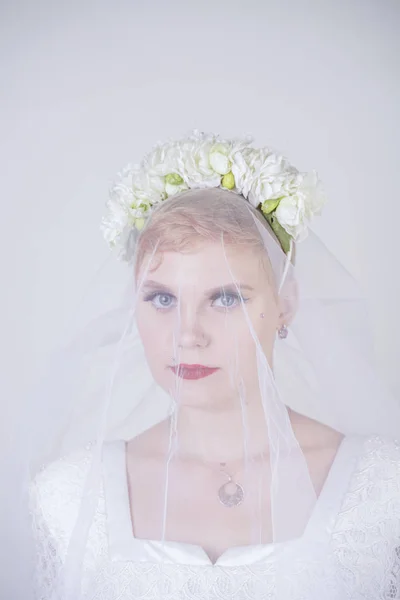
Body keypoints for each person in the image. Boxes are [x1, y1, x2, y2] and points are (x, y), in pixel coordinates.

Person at [11, 132, 400, 599]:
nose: (187, 334)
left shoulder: (381, 492)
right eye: (162, 298)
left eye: (226, 297)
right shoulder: (67, 498)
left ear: (286, 303)